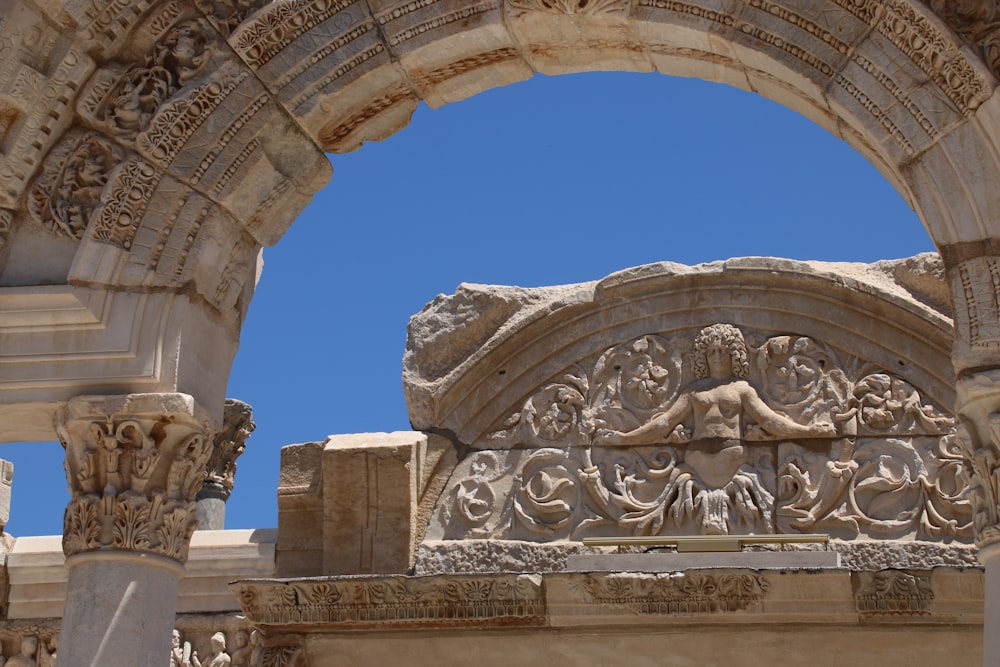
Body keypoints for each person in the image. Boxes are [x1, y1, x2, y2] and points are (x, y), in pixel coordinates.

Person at [595, 324, 835, 486]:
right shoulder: (694, 391)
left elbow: (770, 420)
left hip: (734, 458)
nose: (718, 357)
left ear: (735, 354)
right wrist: (625, 439)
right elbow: (664, 422)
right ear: (703, 356)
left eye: (723, 351)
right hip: (695, 459)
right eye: (711, 352)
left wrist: (808, 431)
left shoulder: (742, 389)